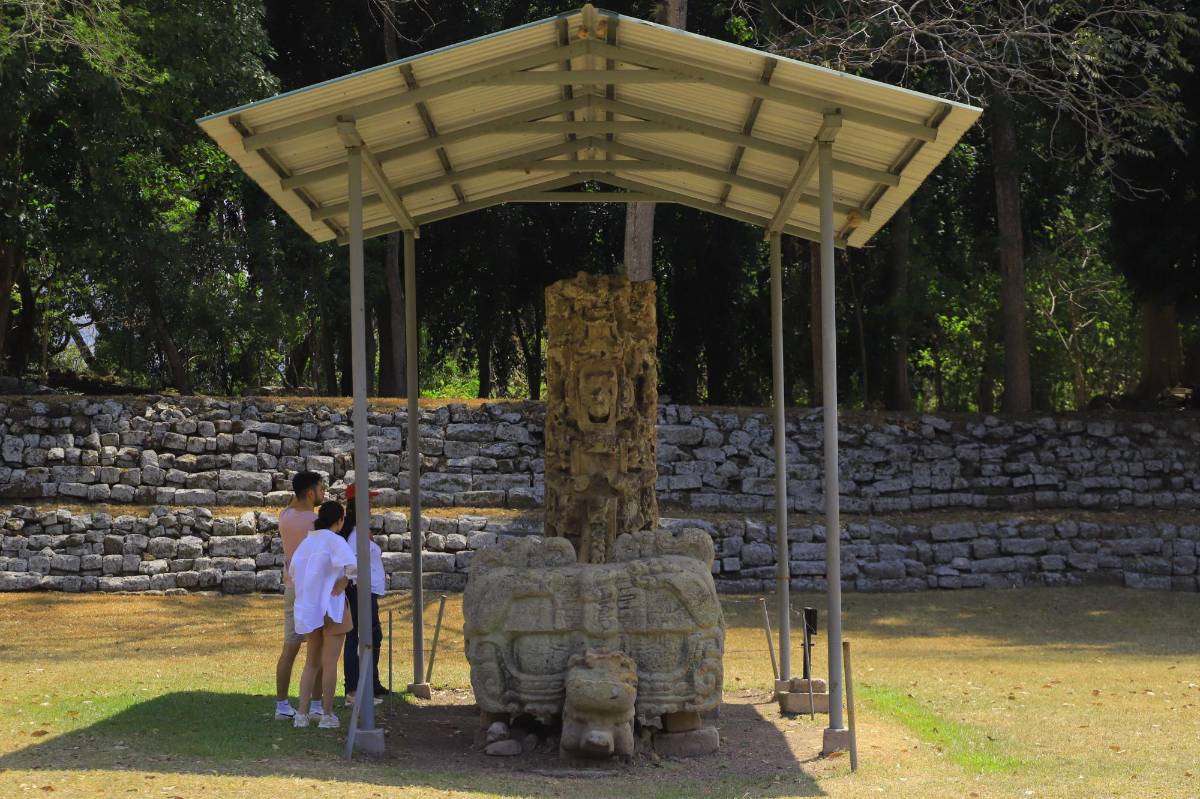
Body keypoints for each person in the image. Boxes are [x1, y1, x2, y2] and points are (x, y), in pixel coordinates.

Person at [291, 500, 356, 729]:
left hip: (311, 608)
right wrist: (342, 583)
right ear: (339, 521)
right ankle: (327, 714)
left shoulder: (307, 542)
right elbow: (353, 565)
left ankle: (301, 714)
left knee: (311, 663)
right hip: (333, 607)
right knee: (329, 664)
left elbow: (293, 570)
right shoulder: (335, 541)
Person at [274, 470, 326, 721]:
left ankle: (282, 705)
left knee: (289, 649)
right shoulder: (315, 523)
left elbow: (291, 505)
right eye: (320, 489)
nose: (323, 493)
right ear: (310, 493)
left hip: (291, 587)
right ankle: (315, 705)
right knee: (317, 650)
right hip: (311, 590)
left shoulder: (285, 517)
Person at [342, 484, 387, 707]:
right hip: (361, 591)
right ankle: (354, 689)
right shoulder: (355, 534)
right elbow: (351, 564)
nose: (371, 506)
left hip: (368, 591)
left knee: (371, 637)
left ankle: (370, 682)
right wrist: (359, 587)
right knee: (358, 638)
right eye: (367, 502)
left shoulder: (360, 530)